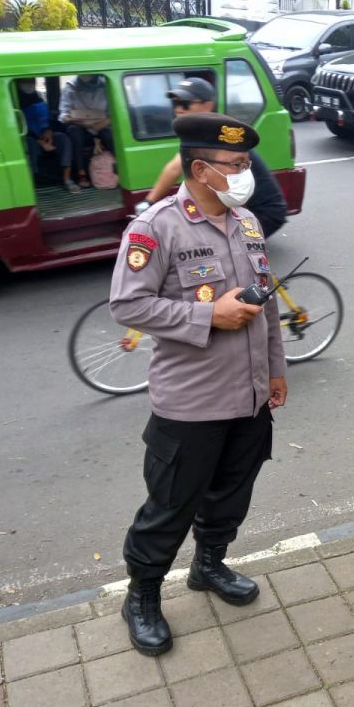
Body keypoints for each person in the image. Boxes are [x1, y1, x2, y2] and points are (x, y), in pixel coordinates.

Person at [109, 113, 288, 657]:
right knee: (169, 506)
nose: (246, 173)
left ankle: (208, 566)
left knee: (231, 494)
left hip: (249, 395)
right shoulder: (156, 227)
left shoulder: (248, 223)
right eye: (235, 165)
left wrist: (276, 370)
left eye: (245, 164)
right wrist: (208, 316)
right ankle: (141, 596)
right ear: (201, 169)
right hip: (191, 404)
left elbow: (267, 302)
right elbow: (128, 304)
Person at [135, 78, 288, 239]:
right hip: (238, 207)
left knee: (217, 249)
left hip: (262, 212)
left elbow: (175, 169)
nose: (179, 109)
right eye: (176, 104)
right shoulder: (199, 134)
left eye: (185, 103)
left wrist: (149, 202)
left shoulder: (215, 136)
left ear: (207, 105)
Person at [17, 79, 78, 193]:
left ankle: (67, 179)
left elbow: (47, 118)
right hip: (29, 137)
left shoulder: (38, 97)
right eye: (25, 82)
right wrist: (41, 142)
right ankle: (32, 182)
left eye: (32, 82)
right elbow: (20, 127)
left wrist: (48, 131)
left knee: (63, 139)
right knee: (29, 144)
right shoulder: (16, 102)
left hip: (45, 134)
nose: (29, 85)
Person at [59, 74, 113, 187]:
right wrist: (71, 119)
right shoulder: (70, 88)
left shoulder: (106, 86)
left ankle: (117, 168)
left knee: (109, 134)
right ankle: (81, 172)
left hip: (102, 126)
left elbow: (115, 111)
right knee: (74, 131)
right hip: (81, 128)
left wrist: (105, 122)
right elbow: (63, 113)